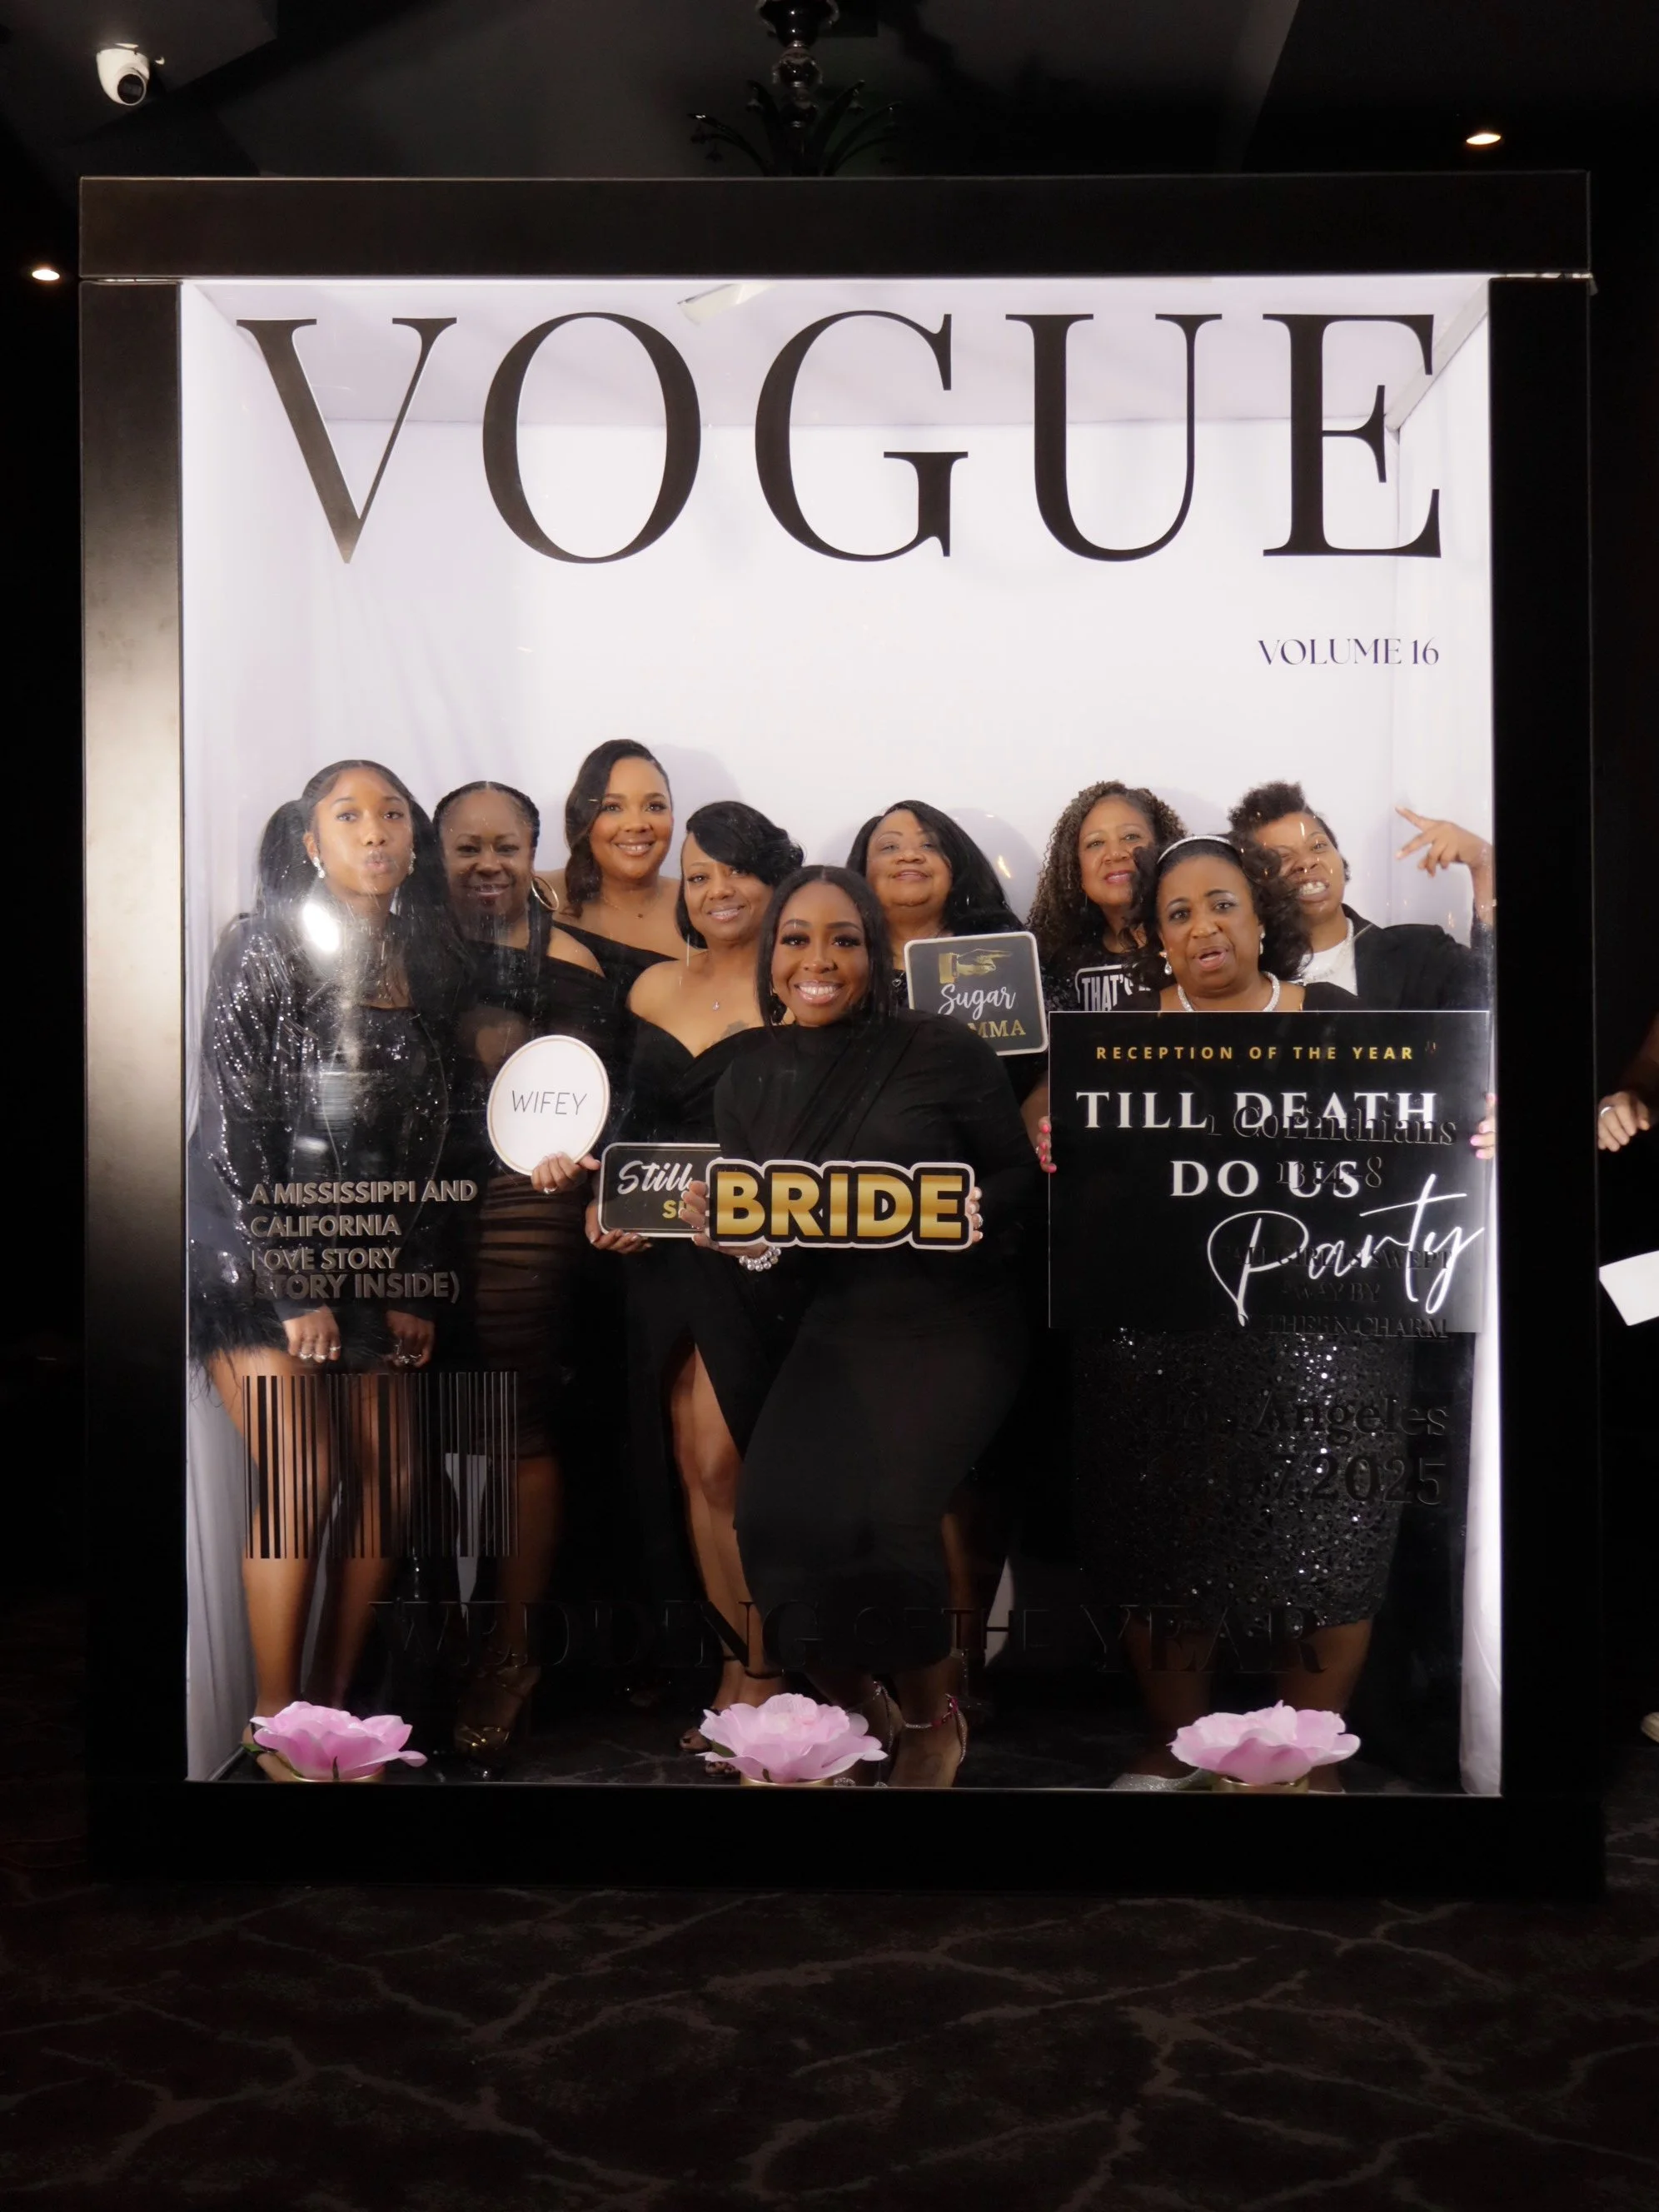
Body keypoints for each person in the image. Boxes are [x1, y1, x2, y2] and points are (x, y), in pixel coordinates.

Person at [686, 866, 1042, 1788]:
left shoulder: (943, 1047)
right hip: (843, 1324)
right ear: (771, 961)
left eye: (843, 939)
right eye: (797, 939)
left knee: (887, 1520)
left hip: (957, 1324)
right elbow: (777, 1239)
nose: (819, 959)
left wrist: (977, 1213)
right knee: (770, 1523)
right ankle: (863, 1704)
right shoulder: (747, 1077)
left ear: (874, 956)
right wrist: (743, 1239)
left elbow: (1015, 1180)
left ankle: (933, 1716)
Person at [1066, 835, 1407, 1790]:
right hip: (1157, 1328)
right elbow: (1049, 1142)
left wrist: (1474, 1124)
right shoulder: (1122, 1033)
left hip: (1325, 1325)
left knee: (1332, 1519)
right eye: (1177, 914)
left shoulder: (1336, 1014)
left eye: (1221, 904)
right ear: (1158, 942)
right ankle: (1180, 1746)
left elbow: (1410, 1137)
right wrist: (1055, 1141)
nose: (1202, 926)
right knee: (1157, 1522)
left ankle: (1309, 1750)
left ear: (1262, 919)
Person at [189, 760, 466, 1775]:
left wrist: (404, 1280)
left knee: (389, 1479)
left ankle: (336, 1717)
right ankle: (274, 1726)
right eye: (348, 816)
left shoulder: (421, 957)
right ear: (310, 842)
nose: (376, 830)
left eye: (393, 813)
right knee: (301, 1475)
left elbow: (435, 1138)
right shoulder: (262, 946)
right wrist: (295, 1283)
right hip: (258, 1252)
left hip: (378, 1255)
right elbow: (235, 1129)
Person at [435, 780, 616, 1758]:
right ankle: (438, 1638)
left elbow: (587, 1098)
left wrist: (571, 1156)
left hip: (521, 1206)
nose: (489, 862)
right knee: (418, 1431)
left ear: (536, 849)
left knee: (515, 1424)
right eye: (467, 846)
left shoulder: (574, 961)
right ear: (439, 853)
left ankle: (511, 1652)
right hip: (412, 1205)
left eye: (507, 844)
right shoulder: (407, 949)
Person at [618, 803, 805, 1751]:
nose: (717, 890)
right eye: (698, 875)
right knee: (693, 1468)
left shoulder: (803, 991)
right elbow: (622, 1130)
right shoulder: (650, 988)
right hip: (658, 1262)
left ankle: (768, 1675)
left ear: (775, 883)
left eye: (737, 871)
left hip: (759, 1265)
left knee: (739, 1467)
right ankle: (740, 1668)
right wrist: (601, 1200)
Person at [1227, 780, 1492, 1009]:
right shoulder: (1242, 978)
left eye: (1318, 846)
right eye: (1283, 857)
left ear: (1340, 859)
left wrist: (1484, 864)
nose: (1307, 863)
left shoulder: (1420, 955)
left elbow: (1491, 997)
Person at [844, 800, 1024, 1012]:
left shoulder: (1005, 947)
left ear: (955, 866)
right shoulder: (840, 957)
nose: (910, 855)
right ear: (862, 869)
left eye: (929, 845)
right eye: (890, 847)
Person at [1028, 780, 1188, 1014]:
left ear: (1163, 848)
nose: (1114, 853)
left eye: (1131, 837)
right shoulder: (1056, 963)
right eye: (1095, 843)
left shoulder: (1193, 943)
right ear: (1075, 870)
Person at [541, 741, 681, 995]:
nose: (636, 824)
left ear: (672, 817)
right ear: (585, 818)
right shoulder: (537, 896)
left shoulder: (703, 908)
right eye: (612, 807)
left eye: (654, 806)